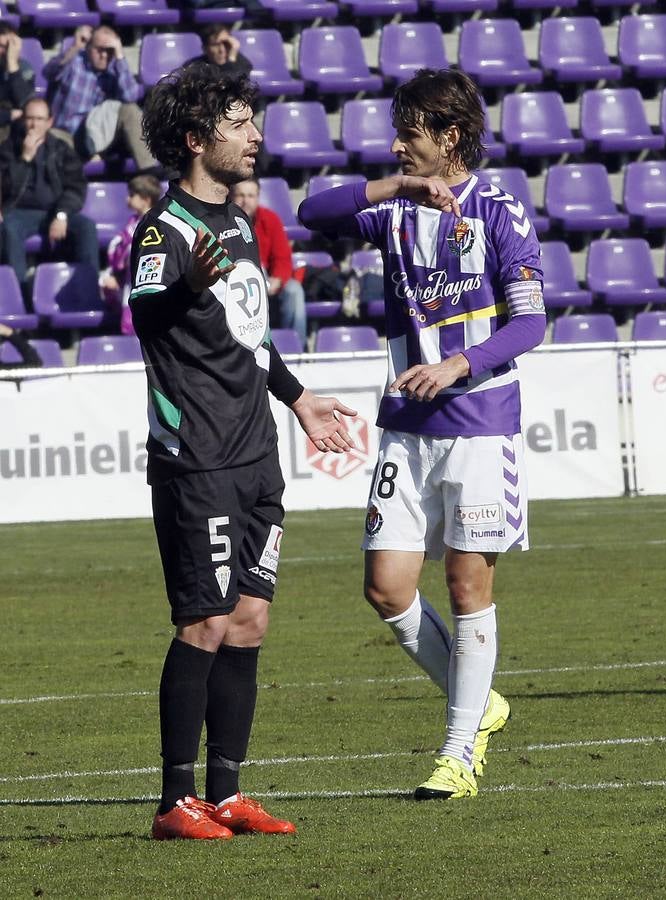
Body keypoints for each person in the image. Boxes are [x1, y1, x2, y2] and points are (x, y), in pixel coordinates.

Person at [298, 68, 546, 801]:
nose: (397, 144)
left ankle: (460, 752)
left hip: (478, 423)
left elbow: (531, 322)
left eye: (410, 134)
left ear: (452, 137)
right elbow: (314, 212)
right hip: (405, 426)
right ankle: (483, 705)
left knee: (467, 585)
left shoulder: (501, 210)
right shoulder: (397, 210)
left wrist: (460, 364)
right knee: (385, 587)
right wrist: (392, 188)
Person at [132, 64, 356, 841]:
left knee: (250, 620)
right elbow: (149, 306)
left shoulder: (236, 222)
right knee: (203, 621)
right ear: (197, 139)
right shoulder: (167, 231)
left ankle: (226, 794)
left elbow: (250, 339)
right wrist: (187, 282)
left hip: (256, 454)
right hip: (198, 458)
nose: (255, 133)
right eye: (237, 121)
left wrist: (298, 399)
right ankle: (172, 802)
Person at [0, 97, 99, 293]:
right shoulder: (8, 148)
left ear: (49, 122)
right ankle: (20, 297)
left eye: (39, 118)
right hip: (19, 212)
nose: (34, 123)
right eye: (29, 118)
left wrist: (61, 214)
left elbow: (76, 187)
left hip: (56, 210)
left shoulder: (62, 149)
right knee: (9, 228)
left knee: (86, 227)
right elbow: (5, 187)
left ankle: (90, 293)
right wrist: (25, 158)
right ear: (22, 119)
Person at [43, 25, 158, 172]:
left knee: (130, 110)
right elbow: (48, 73)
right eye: (99, 49)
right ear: (89, 47)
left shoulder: (116, 69)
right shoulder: (75, 61)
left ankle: (149, 172)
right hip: (67, 134)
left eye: (109, 50)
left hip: (100, 137)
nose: (104, 55)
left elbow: (131, 96)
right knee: (50, 137)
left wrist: (119, 56)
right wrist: (74, 47)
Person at [231, 178, 307, 348]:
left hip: (266, 281)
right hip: (235, 284)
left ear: (258, 197)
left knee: (294, 290)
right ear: (232, 196)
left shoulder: (270, 219)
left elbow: (283, 259)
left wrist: (277, 280)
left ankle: (297, 349)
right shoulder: (223, 219)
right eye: (240, 195)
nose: (246, 201)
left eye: (251, 195)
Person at [100, 173, 162, 334]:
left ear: (145, 199)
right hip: (130, 281)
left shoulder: (159, 221)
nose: (127, 199)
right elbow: (117, 248)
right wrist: (115, 272)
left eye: (132, 195)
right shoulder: (132, 223)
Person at [0, 23, 35, 141]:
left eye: (9, 46)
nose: (6, 52)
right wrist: (8, 115)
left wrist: (12, 67)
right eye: (1, 46)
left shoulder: (24, 68)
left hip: (16, 132)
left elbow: (27, 104)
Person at [188, 25, 253, 77]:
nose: (222, 50)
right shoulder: (194, 67)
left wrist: (231, 59)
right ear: (204, 48)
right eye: (215, 45)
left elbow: (235, 83)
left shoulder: (242, 63)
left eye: (226, 43)